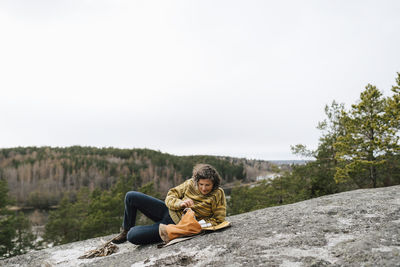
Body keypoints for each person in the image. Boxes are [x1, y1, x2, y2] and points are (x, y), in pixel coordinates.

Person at [111, 163, 227, 245]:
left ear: (214, 184)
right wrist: (180, 203)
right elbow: (171, 195)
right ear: (197, 181)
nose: (203, 188)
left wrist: (196, 223)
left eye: (207, 185)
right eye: (201, 184)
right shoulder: (190, 183)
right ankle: (125, 229)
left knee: (132, 236)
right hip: (167, 210)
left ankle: (132, 232)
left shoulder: (218, 193)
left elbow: (219, 218)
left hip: (175, 225)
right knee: (131, 196)